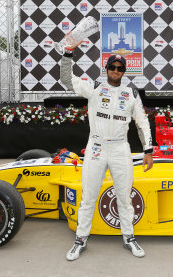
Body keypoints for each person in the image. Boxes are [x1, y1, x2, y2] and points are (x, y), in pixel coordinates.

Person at [60, 42, 154, 261]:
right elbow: (67, 79)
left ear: (124, 72)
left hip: (121, 148)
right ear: (107, 69)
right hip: (96, 147)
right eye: (112, 67)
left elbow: (142, 122)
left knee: (124, 196)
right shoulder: (94, 87)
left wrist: (148, 149)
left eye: (120, 69)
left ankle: (128, 237)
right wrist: (68, 53)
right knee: (88, 197)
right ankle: (80, 240)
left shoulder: (131, 93)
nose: (115, 71)